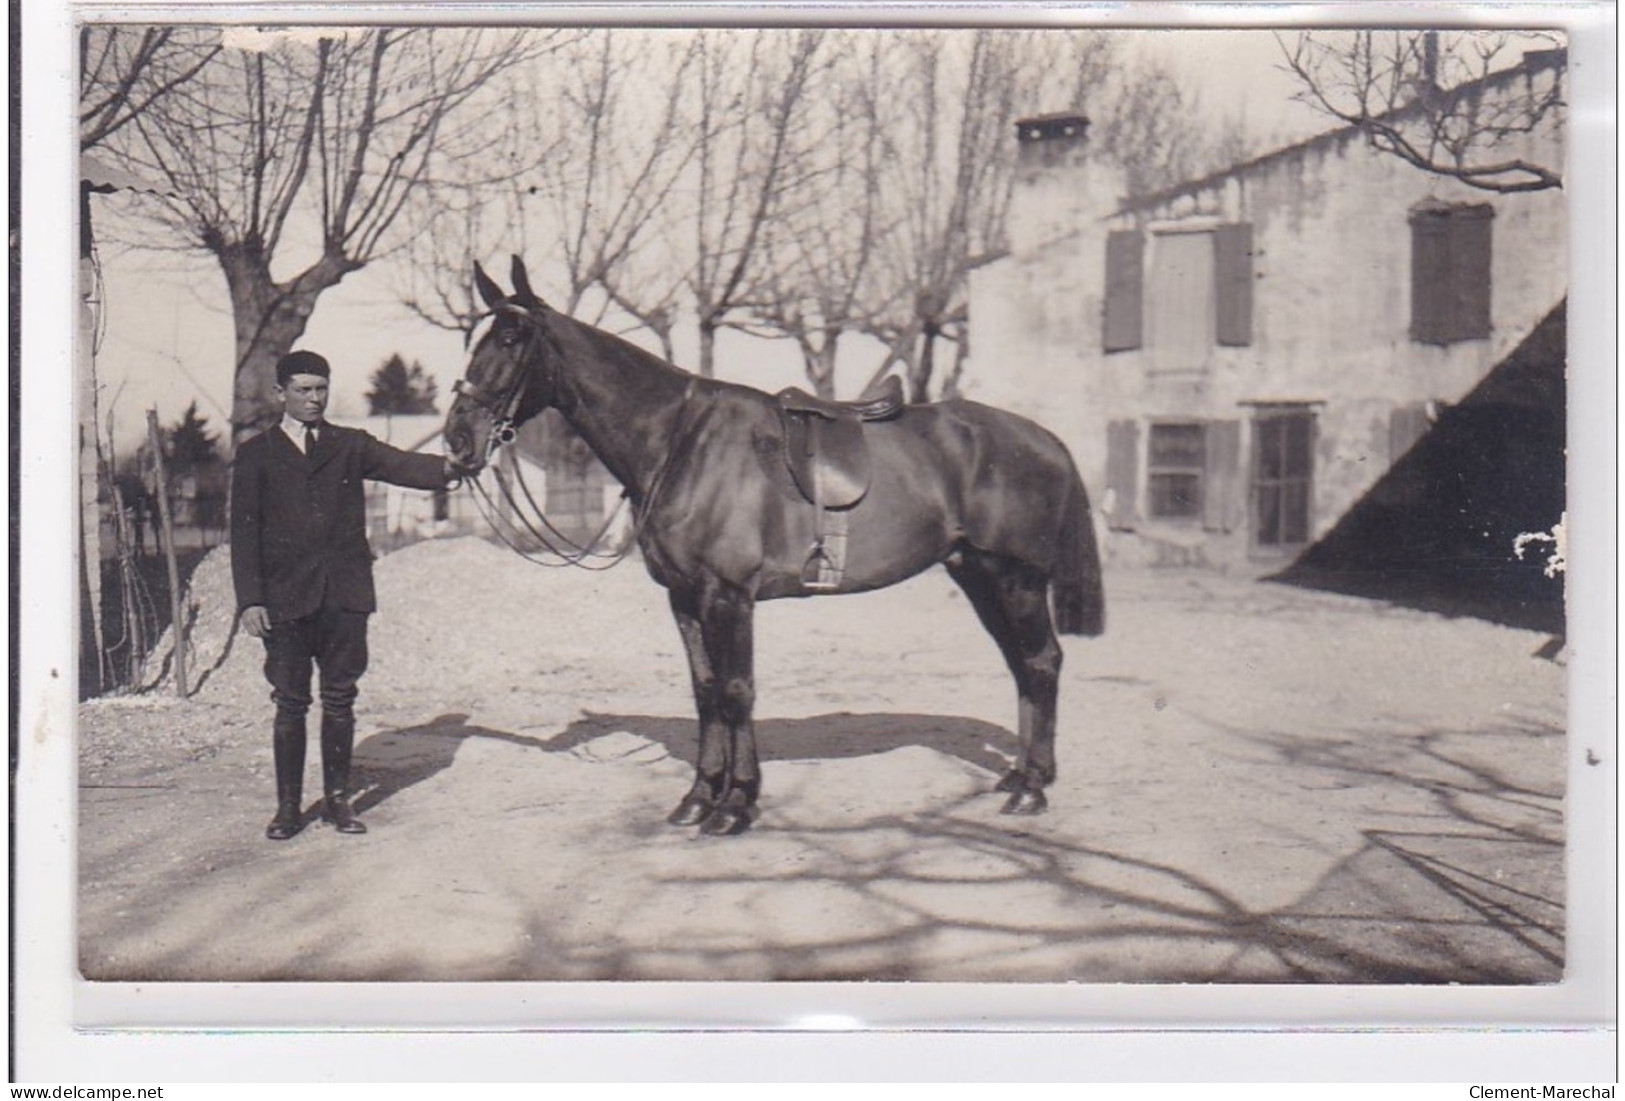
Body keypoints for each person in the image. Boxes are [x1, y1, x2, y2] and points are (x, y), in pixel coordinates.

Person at [231, 350, 457, 840]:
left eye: (321, 389)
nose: (314, 398)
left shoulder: (350, 445)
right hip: (285, 601)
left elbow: (404, 465)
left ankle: (338, 803)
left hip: (345, 596)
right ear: (280, 394)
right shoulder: (255, 455)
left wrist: (458, 466)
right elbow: (243, 534)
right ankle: (288, 809)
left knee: (340, 699)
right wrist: (250, 600)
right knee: (290, 703)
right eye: (303, 389)